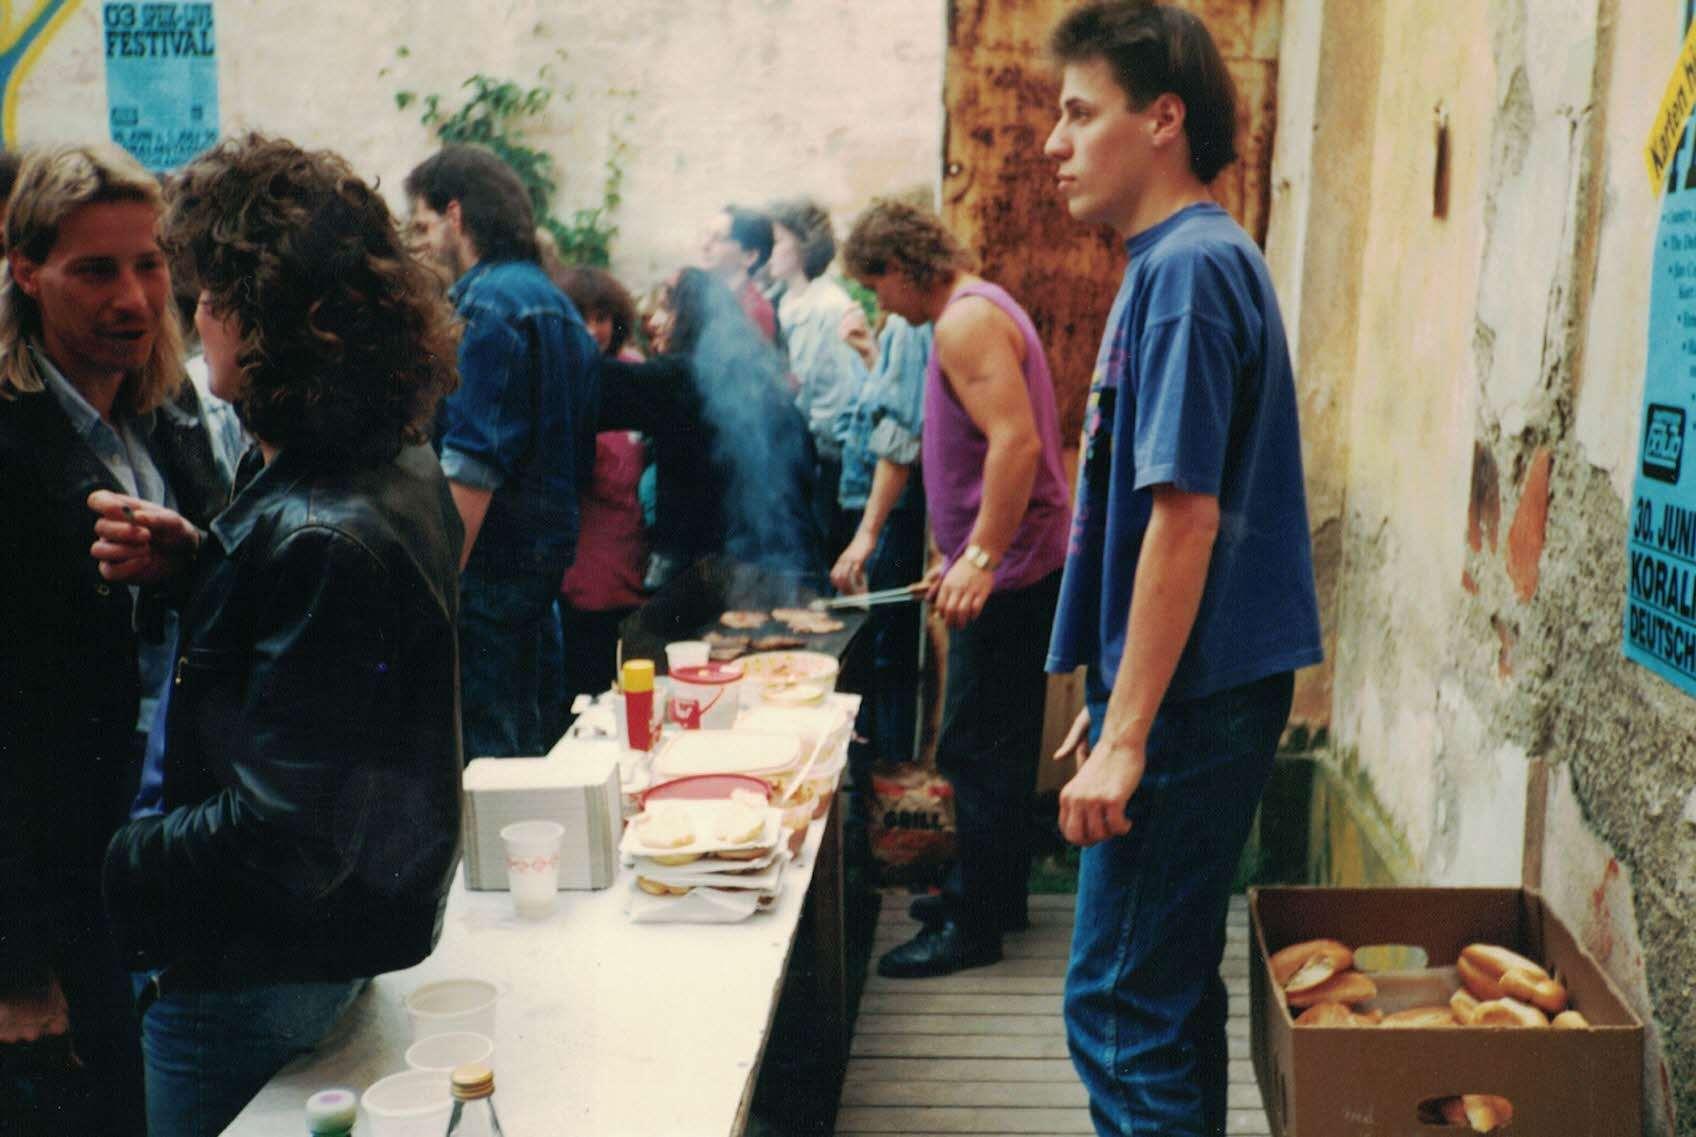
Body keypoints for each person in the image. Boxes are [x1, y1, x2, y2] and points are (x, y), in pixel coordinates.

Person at [92, 134, 465, 1137]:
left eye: (213, 291)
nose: (195, 312)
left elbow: (285, 829)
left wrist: (111, 861)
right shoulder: (381, 460)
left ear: (283, 319)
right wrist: (205, 567)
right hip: (313, 950)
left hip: (251, 972)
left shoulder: (318, 529)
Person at [1041, 6, 1323, 1134]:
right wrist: (1117, 684)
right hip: (1195, 690)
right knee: (1160, 995)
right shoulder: (1179, 262)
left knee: (1117, 1007)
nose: (1054, 143)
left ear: (1162, 119)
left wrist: (1129, 732)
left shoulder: (1192, 271)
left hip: (1196, 700)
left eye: (1079, 113)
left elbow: (1186, 517)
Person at [0, 143, 227, 1136]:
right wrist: (13, 963)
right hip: (55, 885)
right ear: (25, 271)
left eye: (150, 265)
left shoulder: (167, 412)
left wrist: (187, 566)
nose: (132, 299)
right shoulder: (13, 441)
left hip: (160, 857)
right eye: (95, 270)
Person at [844, 199, 1071, 980]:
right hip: (1009, 562)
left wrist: (980, 556)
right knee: (996, 743)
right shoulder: (974, 311)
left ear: (901, 267)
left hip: (1013, 569)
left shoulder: (964, 321)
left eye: (877, 285)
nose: (881, 305)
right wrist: (962, 558)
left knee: (975, 746)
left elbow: (1016, 442)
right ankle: (993, 898)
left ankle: (973, 925)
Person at [405, 144, 600, 759]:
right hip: (540, 582)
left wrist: (434, 592)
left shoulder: (486, 303)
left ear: (455, 215)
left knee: (490, 766)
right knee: (530, 757)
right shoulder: (558, 305)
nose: (420, 243)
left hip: (486, 579)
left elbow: (472, 467)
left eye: (423, 225)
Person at [600, 267, 818, 588]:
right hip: (786, 558)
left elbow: (601, 386)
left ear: (691, 316)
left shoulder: (684, 377)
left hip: (718, 571)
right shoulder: (762, 378)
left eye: (667, 308)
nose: (654, 322)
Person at [550, 265, 649, 728]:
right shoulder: (559, 382)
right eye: (582, 317)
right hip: (588, 567)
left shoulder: (636, 372)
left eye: (602, 317)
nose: (593, 329)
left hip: (637, 556)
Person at [767, 196, 870, 562]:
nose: (769, 249)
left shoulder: (829, 307)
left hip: (824, 462)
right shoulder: (779, 301)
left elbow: (841, 395)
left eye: (777, 241)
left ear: (804, 244)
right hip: (789, 455)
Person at [700, 204, 777, 342]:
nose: (705, 245)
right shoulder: (707, 298)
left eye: (719, 238)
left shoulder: (756, 313)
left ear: (749, 256)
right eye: (707, 234)